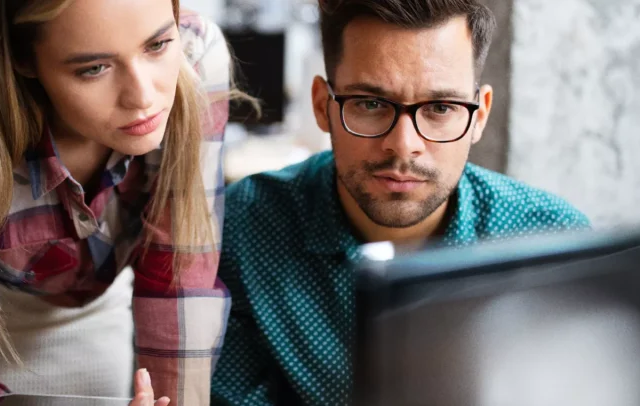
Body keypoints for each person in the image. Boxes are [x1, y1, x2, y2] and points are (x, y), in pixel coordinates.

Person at [209, 0, 592, 404]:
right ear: (322, 105)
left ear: (478, 117)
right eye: (370, 104)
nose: (404, 146)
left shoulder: (551, 242)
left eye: (441, 108)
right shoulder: (240, 231)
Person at [0, 0, 240, 405]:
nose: (143, 97)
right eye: (94, 68)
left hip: (101, 304)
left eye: (158, 45)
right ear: (23, 58)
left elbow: (180, 271)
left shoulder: (195, 58)